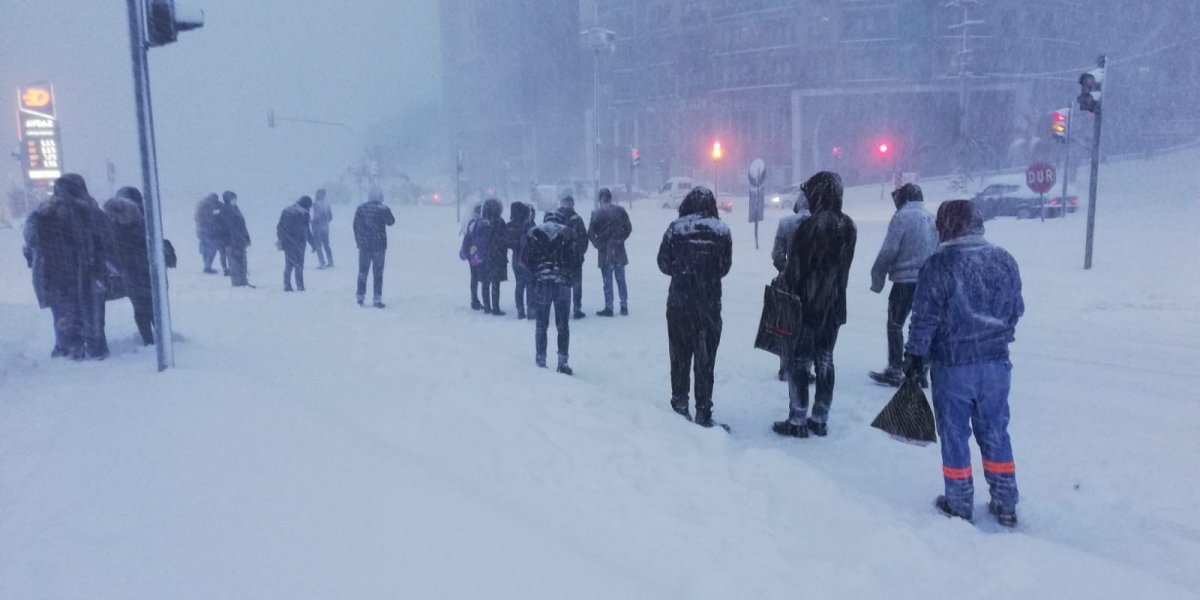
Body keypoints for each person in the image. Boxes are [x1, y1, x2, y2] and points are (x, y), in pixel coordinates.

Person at [905, 199, 1024, 527]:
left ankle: (958, 503)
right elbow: (1016, 309)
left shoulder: (938, 265)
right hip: (996, 366)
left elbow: (924, 318)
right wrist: (998, 337)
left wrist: (915, 356)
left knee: (955, 434)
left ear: (944, 226)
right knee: (996, 431)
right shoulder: (1004, 260)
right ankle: (1005, 501)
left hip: (953, 366)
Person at [772, 171, 856, 439]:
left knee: (799, 362)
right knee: (826, 360)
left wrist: (786, 284)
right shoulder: (848, 226)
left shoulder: (809, 228)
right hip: (834, 305)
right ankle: (820, 417)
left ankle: (797, 419)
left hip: (807, 306)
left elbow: (796, 271)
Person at [657, 187, 732, 428]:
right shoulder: (721, 231)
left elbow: (663, 263)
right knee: (705, 360)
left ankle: (680, 405)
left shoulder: (675, 228)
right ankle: (703, 412)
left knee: (679, 357)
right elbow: (724, 268)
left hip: (679, 303)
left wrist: (683, 273)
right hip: (709, 305)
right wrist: (706, 276)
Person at [26, 174, 117, 359]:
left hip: (56, 276)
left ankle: (68, 347)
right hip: (90, 273)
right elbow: (108, 241)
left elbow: (31, 240)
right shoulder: (92, 212)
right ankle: (96, 348)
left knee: (63, 315)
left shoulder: (42, 214)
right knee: (93, 315)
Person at [868, 183, 938, 387]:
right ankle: (920, 368)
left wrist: (877, 276)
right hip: (928, 281)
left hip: (904, 282)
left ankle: (895, 369)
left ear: (904, 198)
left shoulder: (901, 218)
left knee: (895, 324)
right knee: (922, 326)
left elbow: (889, 249)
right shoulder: (930, 218)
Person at [523, 210, 580, 374]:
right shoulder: (568, 234)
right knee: (563, 326)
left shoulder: (535, 234)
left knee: (541, 325)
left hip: (542, 284)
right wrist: (567, 274)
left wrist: (538, 271)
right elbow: (576, 260)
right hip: (562, 285)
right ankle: (563, 362)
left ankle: (541, 359)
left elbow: (526, 260)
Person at [103, 187, 154, 345]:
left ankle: (148, 339)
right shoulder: (144, 220)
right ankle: (156, 336)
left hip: (129, 271)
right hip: (146, 269)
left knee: (140, 307)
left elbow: (109, 249)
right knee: (151, 304)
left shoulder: (109, 223)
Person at [770, 188, 812, 380]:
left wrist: (786, 269)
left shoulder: (786, 223)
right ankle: (804, 367)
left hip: (789, 281)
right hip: (813, 283)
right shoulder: (818, 224)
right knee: (809, 326)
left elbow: (777, 253)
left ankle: (785, 366)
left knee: (786, 325)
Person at [588, 187, 632, 317]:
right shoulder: (620, 211)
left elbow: (590, 232)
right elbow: (628, 228)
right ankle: (624, 305)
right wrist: (620, 239)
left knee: (607, 280)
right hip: (618, 250)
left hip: (604, 251)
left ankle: (609, 306)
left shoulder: (597, 214)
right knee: (621, 279)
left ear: (601, 199)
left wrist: (598, 244)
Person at [352, 188, 396, 307]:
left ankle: (360, 297)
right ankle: (377, 298)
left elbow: (355, 226)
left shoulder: (361, 209)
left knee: (362, 272)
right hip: (379, 245)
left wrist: (359, 241)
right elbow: (391, 222)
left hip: (364, 246)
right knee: (378, 273)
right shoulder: (383, 209)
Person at [557, 195, 589, 319]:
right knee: (576, 284)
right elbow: (584, 238)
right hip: (574, 258)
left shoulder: (557, 219)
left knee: (563, 284)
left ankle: (565, 308)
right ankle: (576, 308)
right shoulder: (577, 219)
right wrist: (579, 251)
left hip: (562, 258)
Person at [277, 196, 314, 292]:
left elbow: (280, 228)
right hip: (299, 242)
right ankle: (299, 285)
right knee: (299, 265)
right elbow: (306, 230)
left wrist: (282, 239)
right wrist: (312, 242)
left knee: (289, 264)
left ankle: (287, 285)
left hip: (289, 242)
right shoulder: (304, 214)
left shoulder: (288, 211)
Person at [478, 198, 508, 315]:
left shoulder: (481, 223)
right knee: (496, 283)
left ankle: (487, 307)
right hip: (497, 257)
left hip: (484, 256)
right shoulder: (500, 222)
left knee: (485, 282)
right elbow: (504, 239)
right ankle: (495, 308)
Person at [506, 201, 535, 319]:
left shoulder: (513, 224)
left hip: (516, 258)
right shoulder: (529, 225)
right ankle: (530, 309)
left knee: (519, 285)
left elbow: (509, 243)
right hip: (527, 259)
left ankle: (520, 310)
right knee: (530, 285)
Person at [221, 191, 252, 287]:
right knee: (234, 262)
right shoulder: (225, 211)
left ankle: (243, 281)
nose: (235, 200)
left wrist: (247, 237)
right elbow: (225, 228)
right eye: (232, 199)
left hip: (240, 239)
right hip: (231, 240)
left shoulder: (236, 209)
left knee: (242, 260)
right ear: (227, 200)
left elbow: (243, 225)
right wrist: (228, 241)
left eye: (235, 199)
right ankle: (236, 282)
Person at [460, 203, 485, 310]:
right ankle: (476, 300)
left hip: (472, 254)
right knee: (478, 278)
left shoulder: (471, 223)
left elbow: (467, 238)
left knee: (474, 277)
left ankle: (474, 300)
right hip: (479, 254)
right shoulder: (478, 223)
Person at [194, 192, 226, 274]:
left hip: (201, 231)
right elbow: (209, 219)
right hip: (208, 231)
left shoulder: (201, 204)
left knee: (205, 249)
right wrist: (217, 217)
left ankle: (207, 266)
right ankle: (207, 267)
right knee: (212, 249)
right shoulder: (207, 205)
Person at [311, 188, 334, 269]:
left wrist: (314, 222)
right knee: (326, 245)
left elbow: (313, 217)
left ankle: (322, 263)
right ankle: (330, 262)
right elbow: (331, 217)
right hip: (325, 228)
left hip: (317, 228)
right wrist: (325, 220)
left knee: (319, 246)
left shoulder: (315, 204)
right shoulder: (327, 204)